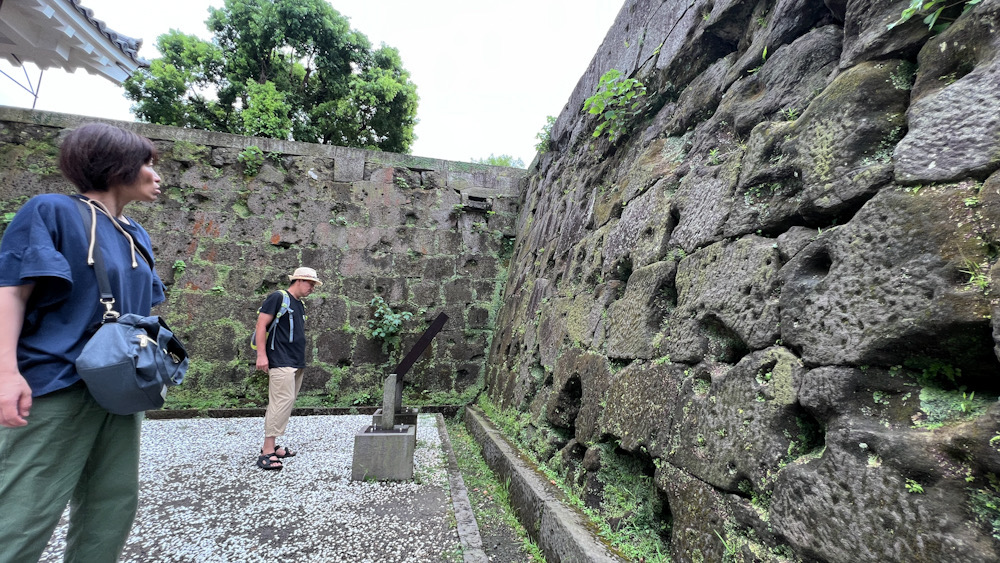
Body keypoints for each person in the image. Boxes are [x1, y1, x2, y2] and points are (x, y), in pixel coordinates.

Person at [0, 122, 166, 562]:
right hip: (57, 382)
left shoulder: (137, 235)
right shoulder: (50, 211)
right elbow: (12, 292)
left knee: (111, 507)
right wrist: (6, 374)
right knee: (22, 514)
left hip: (121, 388)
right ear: (118, 166)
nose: (156, 174)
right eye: (147, 163)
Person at [255, 266, 321, 470]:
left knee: (286, 402)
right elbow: (261, 325)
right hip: (280, 359)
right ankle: (266, 451)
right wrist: (261, 355)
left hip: (295, 360)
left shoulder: (299, 304)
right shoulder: (278, 297)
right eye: (310, 283)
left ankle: (272, 446)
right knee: (281, 401)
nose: (312, 288)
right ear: (299, 281)